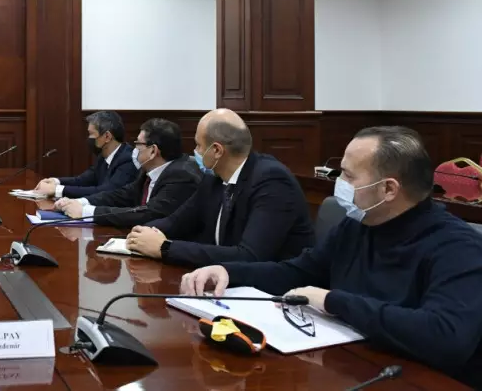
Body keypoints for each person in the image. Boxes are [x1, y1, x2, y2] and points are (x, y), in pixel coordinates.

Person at [180, 126, 482, 388]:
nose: (339, 182)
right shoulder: (358, 224)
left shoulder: (457, 247)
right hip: (353, 363)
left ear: (388, 189)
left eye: (348, 175)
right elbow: (298, 272)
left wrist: (332, 301)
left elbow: (446, 337)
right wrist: (228, 272)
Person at [125, 109, 314, 268]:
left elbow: (250, 256)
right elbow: (177, 222)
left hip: (272, 290)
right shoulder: (213, 179)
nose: (195, 152)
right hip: (222, 279)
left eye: (199, 145)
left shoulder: (272, 181)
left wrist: (164, 248)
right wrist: (142, 233)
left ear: (216, 150)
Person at [54, 118, 201, 226]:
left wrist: (87, 212)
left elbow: (148, 214)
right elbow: (122, 195)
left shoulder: (181, 176)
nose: (134, 149)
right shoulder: (148, 170)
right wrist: (80, 202)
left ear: (153, 151)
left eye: (138, 144)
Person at [34, 110, 137, 199]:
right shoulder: (103, 157)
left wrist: (57, 190)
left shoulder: (128, 159)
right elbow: (83, 180)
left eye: (91, 134)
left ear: (107, 136)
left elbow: (106, 191)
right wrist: (56, 181)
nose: (89, 138)